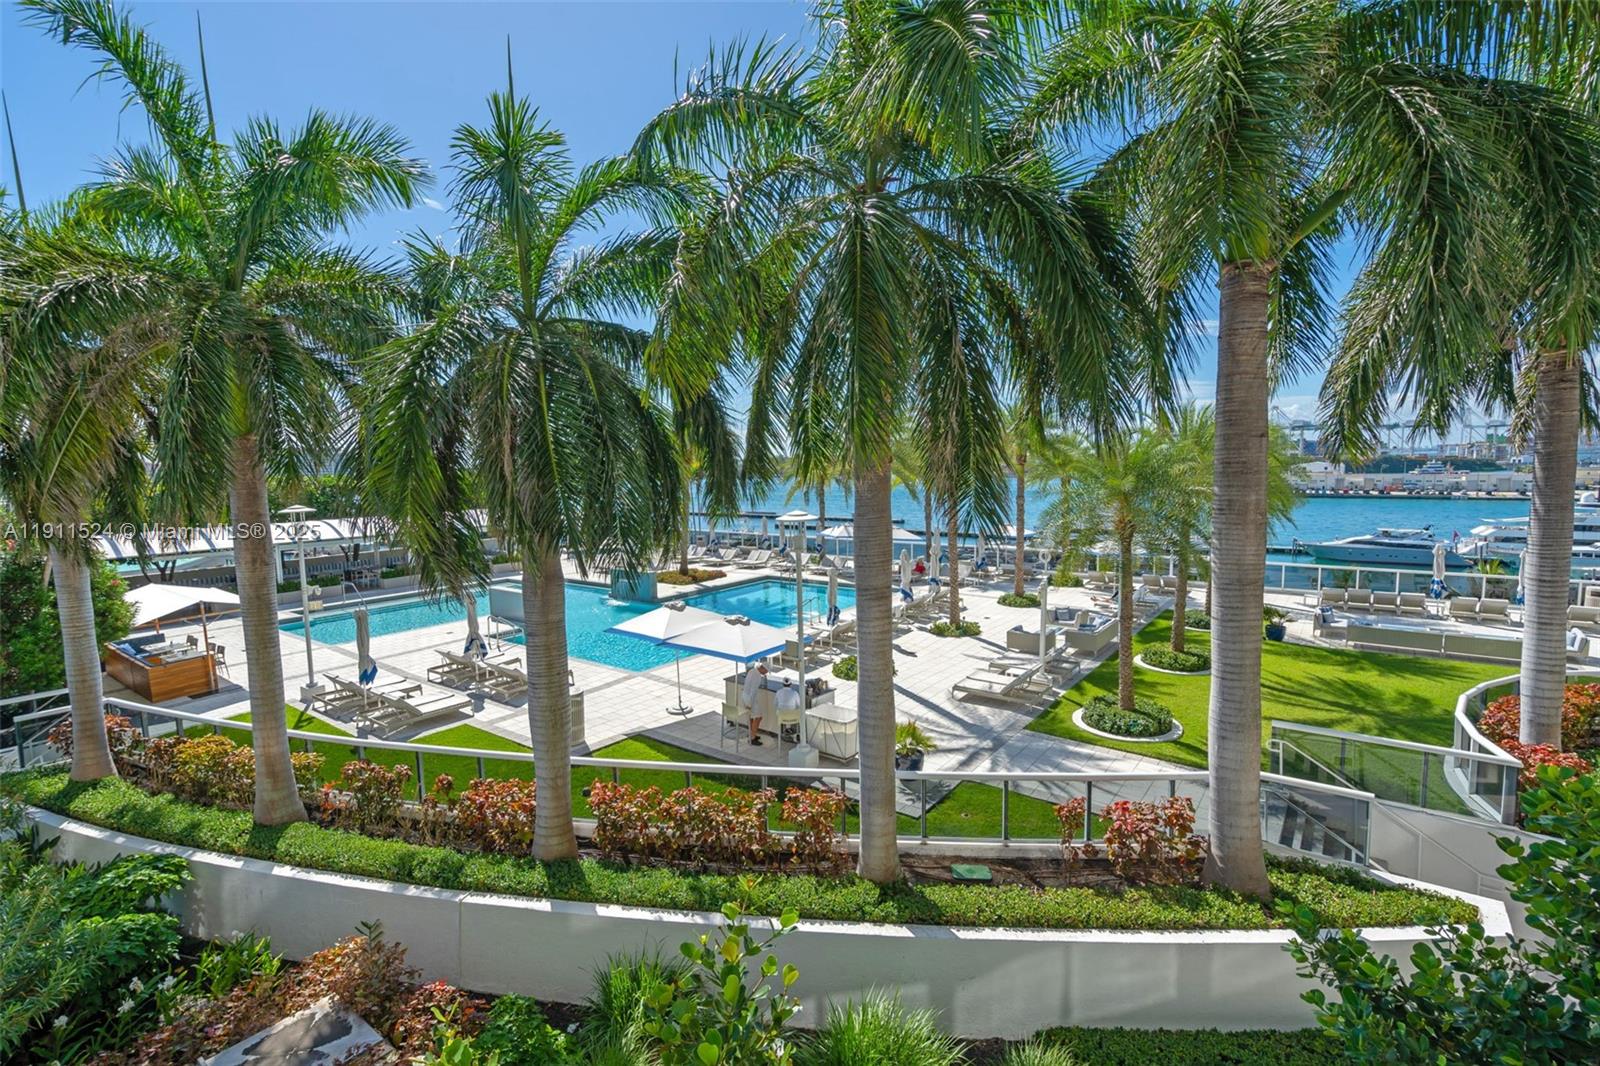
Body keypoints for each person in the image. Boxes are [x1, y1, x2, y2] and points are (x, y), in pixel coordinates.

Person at [740, 661, 768, 746]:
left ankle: (752, 734)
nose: (766, 673)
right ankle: (752, 738)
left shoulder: (752, 671)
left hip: (745, 695)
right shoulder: (757, 676)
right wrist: (750, 704)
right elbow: (753, 691)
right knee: (758, 717)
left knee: (751, 717)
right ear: (763, 668)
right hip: (750, 698)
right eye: (766, 671)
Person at [774, 677, 802, 744]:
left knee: (783, 711)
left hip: (781, 717)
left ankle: (787, 728)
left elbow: (775, 704)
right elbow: (799, 705)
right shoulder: (795, 693)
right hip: (794, 718)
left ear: (782, 684)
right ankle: (794, 733)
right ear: (791, 684)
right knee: (795, 712)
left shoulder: (778, 692)